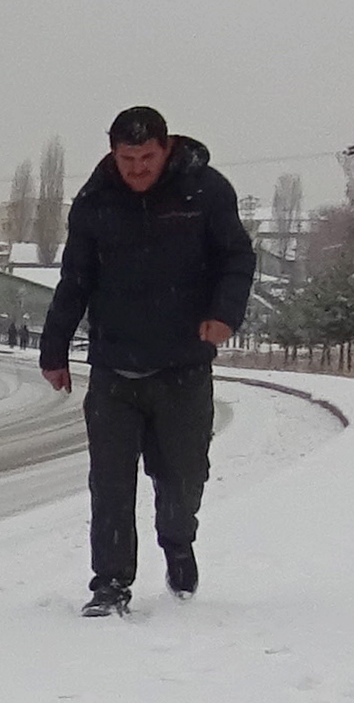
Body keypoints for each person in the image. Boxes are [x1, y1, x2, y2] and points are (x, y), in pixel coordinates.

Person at [38, 105, 258, 616]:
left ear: (167, 149)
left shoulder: (206, 192)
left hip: (183, 365)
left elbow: (237, 258)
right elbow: (75, 280)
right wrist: (54, 350)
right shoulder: (96, 201)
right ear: (113, 153)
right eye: (127, 157)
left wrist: (224, 315)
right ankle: (110, 585)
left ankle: (177, 541)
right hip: (115, 367)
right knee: (110, 483)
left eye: (146, 157)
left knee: (182, 480)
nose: (137, 168)